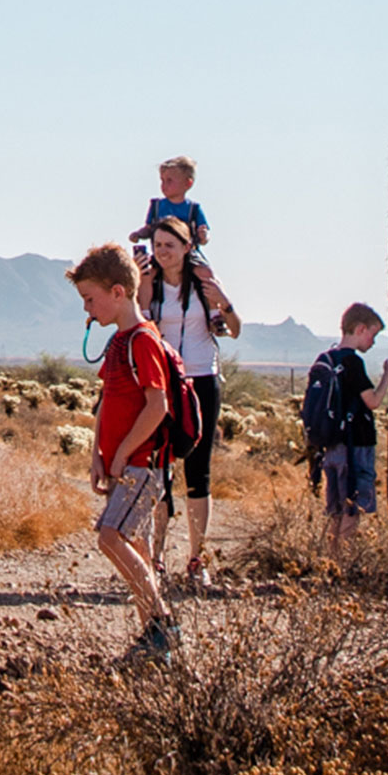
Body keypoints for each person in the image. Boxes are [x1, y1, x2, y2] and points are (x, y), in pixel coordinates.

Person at [71, 242, 181, 663]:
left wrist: (122, 455)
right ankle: (154, 639)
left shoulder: (143, 341)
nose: (87, 310)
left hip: (143, 465)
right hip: (123, 463)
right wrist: (98, 455)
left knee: (110, 537)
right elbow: (107, 400)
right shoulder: (119, 342)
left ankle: (161, 625)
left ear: (119, 293)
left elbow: (158, 406)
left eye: (90, 299)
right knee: (131, 545)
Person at [139, 216, 240, 587]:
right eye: (157, 245)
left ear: (186, 247)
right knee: (160, 468)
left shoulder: (203, 285)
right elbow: (142, 326)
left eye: (169, 245)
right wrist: (143, 286)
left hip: (202, 377)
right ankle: (157, 556)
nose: (162, 252)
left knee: (199, 469)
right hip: (163, 379)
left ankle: (197, 559)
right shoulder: (150, 283)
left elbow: (233, 329)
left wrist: (223, 303)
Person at [304, 303, 388, 558]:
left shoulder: (327, 358)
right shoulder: (353, 362)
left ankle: (331, 562)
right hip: (355, 446)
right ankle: (343, 565)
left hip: (331, 446)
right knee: (352, 510)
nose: (373, 342)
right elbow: (373, 401)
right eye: (372, 335)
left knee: (335, 511)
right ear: (360, 328)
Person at [130, 155, 210, 262]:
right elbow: (149, 229)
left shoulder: (193, 209)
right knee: (145, 273)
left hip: (188, 257)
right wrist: (139, 234)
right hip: (161, 255)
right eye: (162, 180)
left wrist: (203, 236)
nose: (164, 185)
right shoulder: (156, 206)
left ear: (187, 183)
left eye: (169, 181)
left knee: (205, 273)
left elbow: (203, 235)